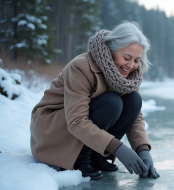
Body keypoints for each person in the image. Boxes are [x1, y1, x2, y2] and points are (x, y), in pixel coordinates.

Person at [30, 21, 159, 180]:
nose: (131, 65)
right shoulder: (81, 67)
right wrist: (117, 148)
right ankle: (80, 160)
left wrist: (143, 150)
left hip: (79, 124)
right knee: (112, 102)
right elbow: (77, 120)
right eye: (127, 57)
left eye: (137, 60)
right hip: (54, 127)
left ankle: (97, 155)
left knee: (133, 100)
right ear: (112, 51)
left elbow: (135, 117)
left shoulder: (129, 77)